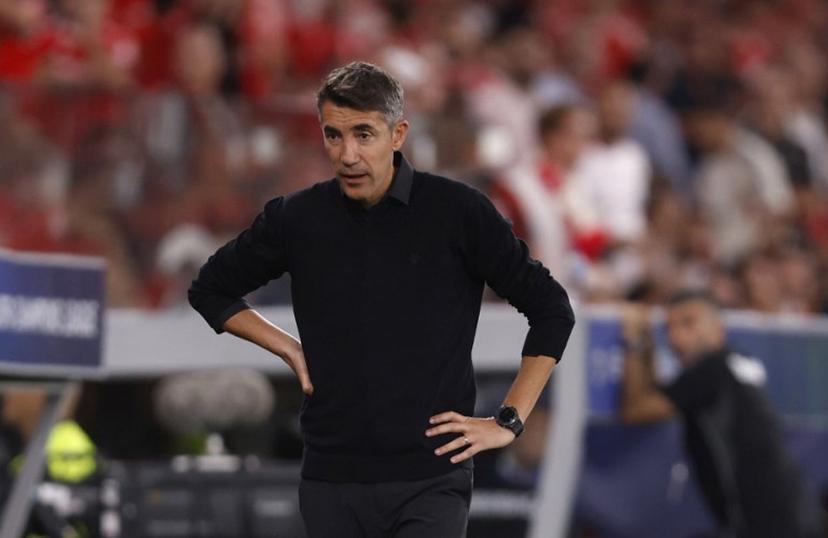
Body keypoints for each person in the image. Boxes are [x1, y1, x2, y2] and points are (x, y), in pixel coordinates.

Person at [188, 61, 575, 538]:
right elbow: (210, 288)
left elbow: (552, 309)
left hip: (431, 479)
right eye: (334, 135)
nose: (348, 154)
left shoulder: (458, 211)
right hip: (331, 478)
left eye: (364, 135)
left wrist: (508, 420)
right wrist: (288, 347)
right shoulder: (298, 217)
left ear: (398, 134)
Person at [619, 289, 822, 538]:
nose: (677, 336)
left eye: (689, 323)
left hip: (764, 523)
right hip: (797, 511)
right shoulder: (739, 362)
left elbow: (637, 409)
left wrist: (635, 341)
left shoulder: (711, 370)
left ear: (717, 327)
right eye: (670, 328)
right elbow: (659, 394)